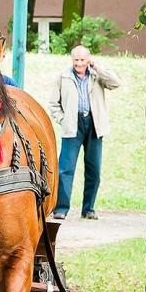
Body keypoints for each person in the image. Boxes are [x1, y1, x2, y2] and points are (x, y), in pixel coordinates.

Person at [49, 45, 121, 220]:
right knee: (65, 169)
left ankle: (88, 209)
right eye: (76, 60)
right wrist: (63, 119)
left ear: (89, 59)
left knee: (94, 169)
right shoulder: (63, 77)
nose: (79, 63)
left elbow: (115, 83)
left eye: (82, 60)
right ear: (72, 60)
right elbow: (53, 104)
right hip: (72, 126)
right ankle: (61, 208)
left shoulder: (97, 75)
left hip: (95, 125)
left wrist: (97, 67)